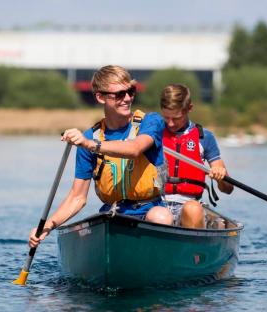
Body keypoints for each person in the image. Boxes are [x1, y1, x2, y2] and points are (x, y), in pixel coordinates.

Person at [29, 65, 173, 248]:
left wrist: (89, 145)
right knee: (87, 230)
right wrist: (46, 227)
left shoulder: (151, 121)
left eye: (131, 91)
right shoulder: (89, 137)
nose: (127, 98)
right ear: (100, 97)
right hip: (113, 215)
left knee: (161, 216)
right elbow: (77, 198)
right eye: (119, 94)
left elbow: (135, 148)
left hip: (150, 210)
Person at [160, 84, 233, 229]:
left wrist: (220, 177)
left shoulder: (204, 137)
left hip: (189, 205)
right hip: (156, 204)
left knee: (192, 209)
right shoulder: (153, 132)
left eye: (176, 118)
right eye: (166, 117)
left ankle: (193, 250)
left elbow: (228, 189)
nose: (170, 123)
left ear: (189, 109)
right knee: (159, 216)